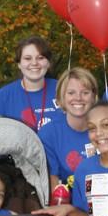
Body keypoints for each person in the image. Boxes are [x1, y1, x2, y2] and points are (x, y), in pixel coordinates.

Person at [38, 67, 98, 201]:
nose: (78, 98)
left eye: (85, 92)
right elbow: (52, 183)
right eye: (71, 93)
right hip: (68, 205)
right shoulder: (49, 134)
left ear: (94, 97)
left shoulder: (105, 128)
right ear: (61, 98)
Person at [0, 36, 58, 130]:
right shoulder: (1, 100)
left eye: (40, 58)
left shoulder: (63, 90)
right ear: (19, 64)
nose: (34, 63)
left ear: (48, 63)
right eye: (28, 58)